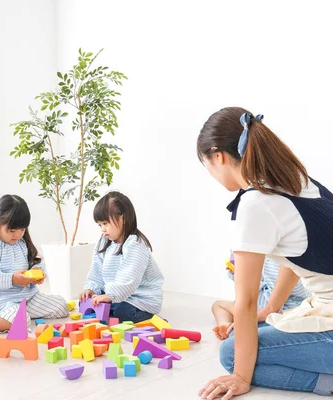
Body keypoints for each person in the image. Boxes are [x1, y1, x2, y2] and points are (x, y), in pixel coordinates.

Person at [197, 107, 333, 399]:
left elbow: (245, 301)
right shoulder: (295, 180)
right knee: (255, 334)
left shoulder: (256, 203)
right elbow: (295, 256)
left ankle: (325, 382)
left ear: (218, 155)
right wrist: (271, 308)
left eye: (206, 165)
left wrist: (241, 377)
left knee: (232, 353)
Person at [0, 194, 69, 342]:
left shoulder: (22, 243)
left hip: (25, 296)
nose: (18, 235)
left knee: (61, 305)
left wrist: (38, 271)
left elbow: (35, 261)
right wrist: (12, 279)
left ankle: (15, 314)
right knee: (21, 320)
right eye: (12, 231)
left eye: (22, 230)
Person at [79, 191, 164, 323]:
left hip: (140, 299)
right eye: (100, 225)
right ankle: (109, 305)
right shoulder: (104, 242)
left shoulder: (135, 245)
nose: (102, 229)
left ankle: (151, 317)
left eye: (105, 223)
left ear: (122, 219)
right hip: (118, 294)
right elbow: (96, 269)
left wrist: (110, 296)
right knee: (93, 301)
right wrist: (91, 288)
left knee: (120, 311)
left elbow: (128, 279)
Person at [212, 253, 310, 340]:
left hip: (284, 309)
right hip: (257, 304)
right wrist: (237, 273)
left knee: (241, 337)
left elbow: (296, 290)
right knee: (218, 305)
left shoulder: (283, 260)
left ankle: (236, 325)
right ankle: (225, 324)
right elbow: (251, 289)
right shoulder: (256, 256)